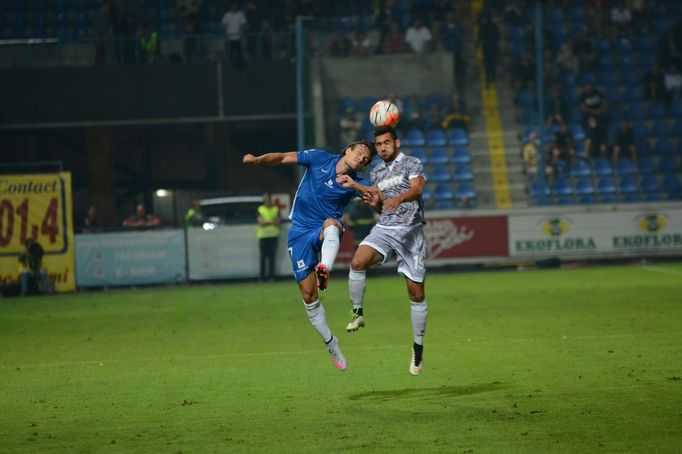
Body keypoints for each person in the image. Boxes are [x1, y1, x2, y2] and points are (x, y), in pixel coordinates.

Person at [242, 140, 376, 372]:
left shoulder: (356, 181)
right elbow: (283, 157)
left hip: (324, 230)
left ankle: (324, 267)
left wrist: (355, 186)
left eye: (366, 160)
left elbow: (376, 195)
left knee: (332, 224)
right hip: (300, 233)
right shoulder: (319, 158)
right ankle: (331, 344)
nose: (362, 159)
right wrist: (257, 160)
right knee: (309, 295)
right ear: (348, 149)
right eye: (361, 153)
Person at [336, 126, 429, 376]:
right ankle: (357, 313)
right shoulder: (376, 171)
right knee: (357, 261)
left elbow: (418, 189)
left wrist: (399, 199)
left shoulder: (412, 163)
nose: (383, 147)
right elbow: (380, 205)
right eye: (379, 144)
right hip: (386, 229)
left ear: (396, 143)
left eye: (387, 142)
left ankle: (418, 348)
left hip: (411, 232)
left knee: (416, 294)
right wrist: (357, 188)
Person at [257, 193, 281, 282]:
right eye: (265, 199)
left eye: (268, 199)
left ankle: (271, 277)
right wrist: (272, 221)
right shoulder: (260, 209)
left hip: (273, 236)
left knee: (272, 257)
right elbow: (261, 223)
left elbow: (278, 222)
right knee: (263, 257)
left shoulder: (275, 209)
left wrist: (266, 222)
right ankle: (262, 277)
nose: (266, 201)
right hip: (263, 236)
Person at [221, 2, 247, 68]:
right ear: (230, 6)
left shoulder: (240, 14)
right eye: (232, 6)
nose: (234, 7)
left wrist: (241, 33)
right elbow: (224, 25)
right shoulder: (227, 15)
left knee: (239, 53)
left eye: (235, 6)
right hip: (230, 38)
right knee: (230, 54)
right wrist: (225, 35)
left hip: (238, 37)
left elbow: (243, 25)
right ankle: (230, 67)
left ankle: (240, 66)